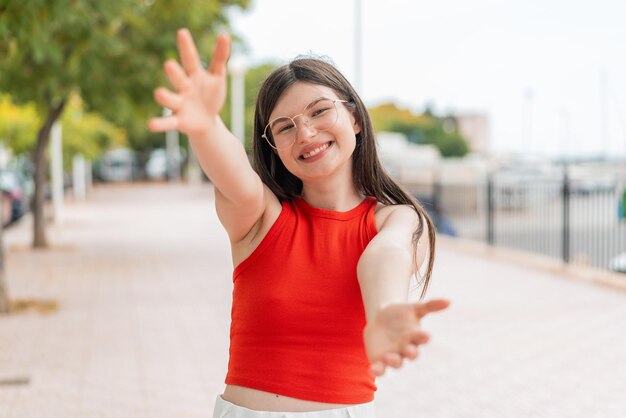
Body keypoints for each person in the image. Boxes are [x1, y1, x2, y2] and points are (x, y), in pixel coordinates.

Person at [148, 28, 450, 418]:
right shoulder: (260, 218)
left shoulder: (396, 218)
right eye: (285, 127)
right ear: (273, 146)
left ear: (355, 118)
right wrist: (206, 127)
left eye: (320, 111)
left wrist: (384, 312)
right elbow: (235, 176)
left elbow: (386, 255)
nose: (305, 133)